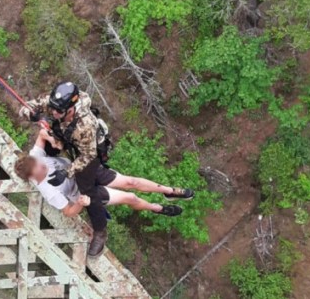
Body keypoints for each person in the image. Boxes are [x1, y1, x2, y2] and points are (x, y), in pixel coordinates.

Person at [19, 82, 194, 256]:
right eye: (53, 109)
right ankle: (156, 208)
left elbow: (88, 155)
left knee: (127, 182)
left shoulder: (84, 125)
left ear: (70, 109)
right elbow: (29, 107)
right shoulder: (57, 105)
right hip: (79, 182)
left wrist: (67, 172)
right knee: (128, 196)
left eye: (58, 112)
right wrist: (31, 114)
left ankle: (167, 191)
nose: (54, 113)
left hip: (86, 155)